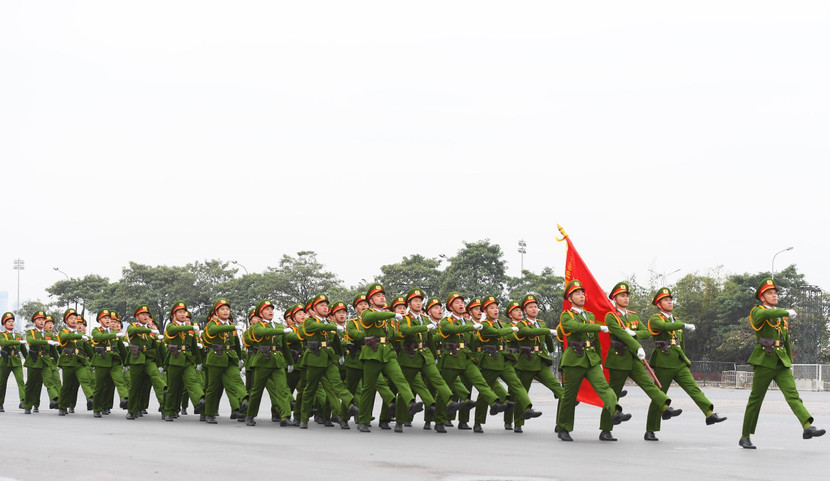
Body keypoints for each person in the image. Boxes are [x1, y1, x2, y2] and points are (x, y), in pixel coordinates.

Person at [739, 278, 825, 449]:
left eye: (775, 293)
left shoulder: (779, 315)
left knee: (793, 395)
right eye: (770, 293)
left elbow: (785, 340)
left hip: (781, 361)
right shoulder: (758, 311)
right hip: (765, 360)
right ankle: (745, 436)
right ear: (762, 297)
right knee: (756, 400)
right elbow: (764, 316)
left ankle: (807, 426)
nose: (774, 295)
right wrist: (784, 312)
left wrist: (789, 360)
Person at [600, 282, 681, 441]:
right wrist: (636, 344)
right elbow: (621, 335)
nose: (625, 298)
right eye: (622, 296)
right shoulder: (611, 316)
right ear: (614, 299)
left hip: (634, 360)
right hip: (619, 359)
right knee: (613, 395)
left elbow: (646, 332)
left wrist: (634, 334)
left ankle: (665, 407)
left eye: (627, 295)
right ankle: (605, 429)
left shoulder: (634, 316)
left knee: (649, 385)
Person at [645, 287, 726, 441]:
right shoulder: (655, 319)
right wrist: (682, 325)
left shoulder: (676, 320)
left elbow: (680, 343)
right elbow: (663, 328)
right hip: (664, 362)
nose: (669, 302)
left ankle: (709, 414)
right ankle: (650, 429)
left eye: (670, 299)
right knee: (659, 396)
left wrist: (685, 358)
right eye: (665, 300)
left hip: (679, 362)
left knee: (694, 389)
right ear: (658, 304)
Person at [557, 280, 630, 441]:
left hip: (591, 359)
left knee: (604, 387)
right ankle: (563, 427)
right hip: (574, 360)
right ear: (570, 298)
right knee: (570, 396)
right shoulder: (566, 316)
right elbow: (576, 328)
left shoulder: (590, 315)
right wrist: (598, 327)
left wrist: (599, 360)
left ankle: (616, 411)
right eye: (577, 293)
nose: (581, 296)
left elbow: (595, 339)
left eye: (582, 293)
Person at [432, 292, 509, 433]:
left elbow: (473, 342)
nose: (461, 305)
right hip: (451, 359)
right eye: (456, 302)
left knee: (481, 382)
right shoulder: (446, 322)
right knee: (445, 391)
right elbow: (454, 330)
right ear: (450, 306)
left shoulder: (468, 323)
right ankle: (439, 420)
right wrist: (472, 327)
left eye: (462, 302)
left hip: (466, 358)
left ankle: (495, 403)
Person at [472, 296, 539, 433]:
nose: (495, 310)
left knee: (517, 385)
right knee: (485, 393)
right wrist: (512, 329)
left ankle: (527, 408)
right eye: (491, 308)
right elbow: (497, 333)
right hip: (490, 361)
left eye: (496, 307)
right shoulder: (485, 325)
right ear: (485, 310)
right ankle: (478, 422)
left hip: (504, 360)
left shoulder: (502, 323)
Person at [299, 294, 359, 429]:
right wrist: (331, 327)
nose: (325, 307)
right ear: (314, 308)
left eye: (326, 305)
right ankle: (303, 418)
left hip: (329, 358)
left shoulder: (330, 323)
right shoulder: (309, 321)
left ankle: (351, 405)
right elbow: (312, 329)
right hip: (315, 358)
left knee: (337, 384)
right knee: (310, 389)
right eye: (322, 305)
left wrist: (341, 353)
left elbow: (336, 341)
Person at [245, 299, 294, 426]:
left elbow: (284, 346)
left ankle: (285, 416)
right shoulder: (257, 326)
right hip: (262, 361)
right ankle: (250, 415)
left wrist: (290, 362)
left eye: (271, 309)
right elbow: (262, 332)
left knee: (282, 389)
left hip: (277, 361)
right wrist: (282, 331)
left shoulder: (278, 326)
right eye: (267, 309)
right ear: (260, 314)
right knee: (257, 390)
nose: (270, 311)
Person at [202, 299, 247, 424]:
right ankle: (209, 413)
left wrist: (240, 358)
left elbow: (236, 344)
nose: (226, 311)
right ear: (217, 312)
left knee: (237, 380)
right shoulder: (212, 324)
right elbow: (212, 331)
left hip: (230, 357)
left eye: (227, 309)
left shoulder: (231, 325)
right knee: (213, 387)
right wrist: (231, 326)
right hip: (216, 358)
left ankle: (245, 400)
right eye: (222, 309)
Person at [162, 302, 205, 421]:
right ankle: (169, 411)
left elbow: (194, 347)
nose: (183, 314)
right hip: (174, 360)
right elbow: (173, 331)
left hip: (187, 360)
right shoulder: (171, 326)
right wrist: (190, 327)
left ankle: (200, 400)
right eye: (180, 312)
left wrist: (199, 361)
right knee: (173, 387)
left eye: (184, 312)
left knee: (192, 381)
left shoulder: (188, 330)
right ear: (174, 315)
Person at [126, 304, 167, 419]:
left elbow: (156, 349)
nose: (145, 316)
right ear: (137, 316)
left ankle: (165, 407)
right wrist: (150, 330)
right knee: (135, 386)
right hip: (136, 359)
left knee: (157, 380)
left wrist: (159, 364)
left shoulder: (151, 332)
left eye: (147, 314)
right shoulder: (132, 327)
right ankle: (132, 410)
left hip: (149, 360)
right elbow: (133, 331)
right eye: (142, 314)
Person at [90, 309, 127, 417]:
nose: (107, 320)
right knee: (99, 386)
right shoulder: (96, 330)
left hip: (114, 361)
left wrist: (126, 363)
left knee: (120, 381)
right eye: (105, 318)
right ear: (99, 320)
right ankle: (97, 408)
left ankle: (125, 399)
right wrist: (114, 334)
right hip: (101, 361)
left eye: (109, 318)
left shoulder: (114, 332)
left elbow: (122, 349)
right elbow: (98, 338)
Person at [56, 309, 91, 416]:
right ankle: (62, 406)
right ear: (66, 321)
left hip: (79, 362)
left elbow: (87, 350)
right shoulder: (63, 332)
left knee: (84, 380)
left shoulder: (80, 334)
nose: (74, 320)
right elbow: (64, 338)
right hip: (68, 362)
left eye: (75, 318)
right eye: (71, 318)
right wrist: (79, 336)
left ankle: (91, 399)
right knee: (67, 385)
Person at [24, 310, 59, 413]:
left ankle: (55, 399)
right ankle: (27, 405)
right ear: (34, 322)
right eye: (39, 319)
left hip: (46, 361)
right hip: (34, 361)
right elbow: (31, 342)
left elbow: (53, 350)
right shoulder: (31, 332)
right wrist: (46, 341)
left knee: (49, 381)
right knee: (31, 384)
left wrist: (58, 362)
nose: (42, 321)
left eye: (43, 319)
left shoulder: (48, 334)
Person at [0, 312, 27, 412]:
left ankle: (23, 401)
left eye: (12, 321)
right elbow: (4, 343)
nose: (11, 323)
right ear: (4, 324)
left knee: (21, 381)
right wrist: (18, 342)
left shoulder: (19, 335)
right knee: (2, 383)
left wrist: (29, 361)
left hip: (16, 360)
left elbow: (24, 350)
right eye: (8, 322)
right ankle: (0, 403)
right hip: (5, 361)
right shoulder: (2, 335)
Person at [42, 315, 62, 409]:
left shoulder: (54, 336)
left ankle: (60, 401)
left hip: (53, 361)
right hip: (43, 361)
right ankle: (54, 398)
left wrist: (60, 362)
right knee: (48, 381)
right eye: (48, 323)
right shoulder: (42, 335)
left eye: (51, 323)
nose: (50, 325)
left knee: (57, 381)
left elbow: (59, 350)